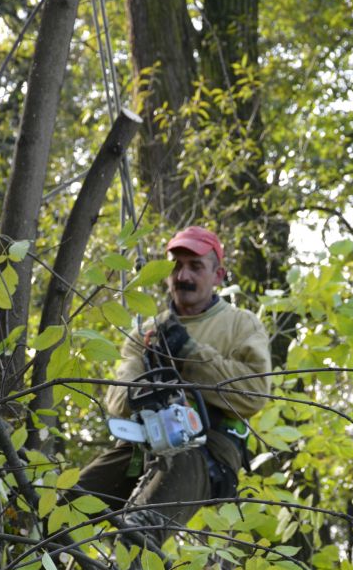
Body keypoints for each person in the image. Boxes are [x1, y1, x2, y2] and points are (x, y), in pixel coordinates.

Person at [75, 226, 272, 550]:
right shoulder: (148, 333)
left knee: (136, 535)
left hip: (207, 449)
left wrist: (190, 354)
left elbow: (254, 393)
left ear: (218, 275)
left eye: (195, 267)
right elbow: (116, 397)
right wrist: (149, 389)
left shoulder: (240, 324)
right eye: (176, 266)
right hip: (146, 442)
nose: (183, 276)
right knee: (65, 507)